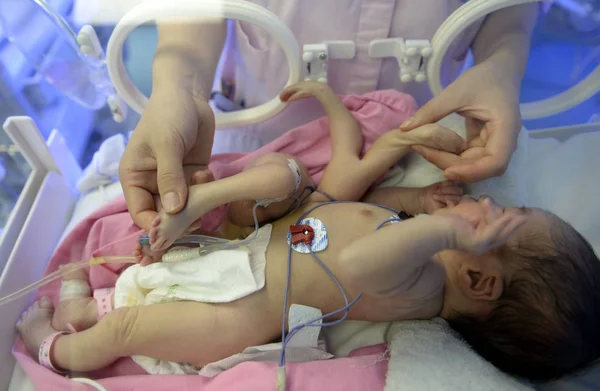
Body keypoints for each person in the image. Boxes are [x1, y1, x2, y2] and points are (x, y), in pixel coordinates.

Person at [17, 77, 599, 380]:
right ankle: (89, 307)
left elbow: (358, 262)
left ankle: (62, 349)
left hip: (240, 312)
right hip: (246, 248)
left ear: (480, 279)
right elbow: (365, 202)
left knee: (134, 331)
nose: (491, 206)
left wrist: (447, 231)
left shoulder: (421, 286)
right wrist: (421, 199)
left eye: (503, 221)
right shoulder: (415, 234)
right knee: (283, 178)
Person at [118, 0, 539, 232]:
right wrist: (178, 88)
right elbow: (193, 0)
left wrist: (501, 65)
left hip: (425, 137)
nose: (489, 212)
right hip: (255, 128)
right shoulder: (323, 185)